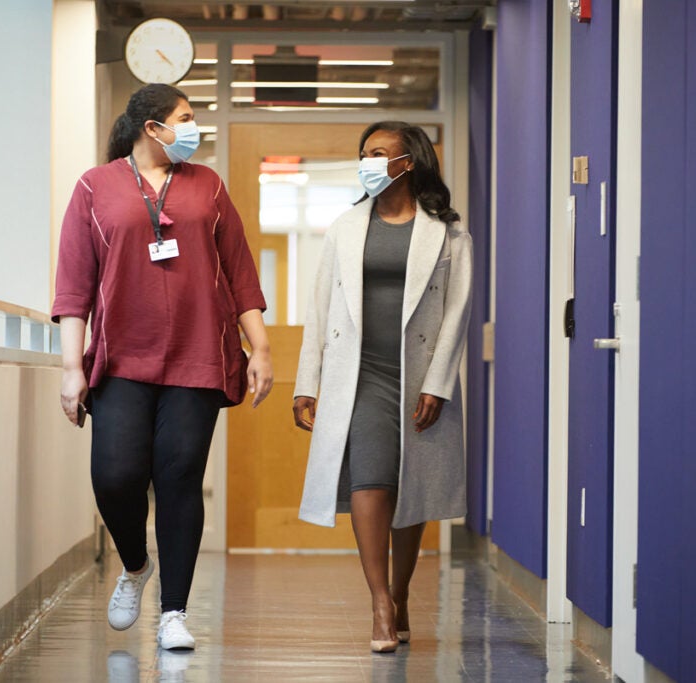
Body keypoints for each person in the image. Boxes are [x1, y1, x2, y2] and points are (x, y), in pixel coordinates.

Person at [52, 83, 272, 651]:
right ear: (153, 127)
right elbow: (74, 285)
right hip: (122, 358)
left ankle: (174, 611)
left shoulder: (208, 186)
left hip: (198, 357)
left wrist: (261, 349)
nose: (193, 128)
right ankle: (135, 565)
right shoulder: (94, 187)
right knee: (115, 477)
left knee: (179, 480)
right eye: (186, 118)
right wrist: (72, 367)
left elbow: (240, 272)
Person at [292, 121, 472, 653]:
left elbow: (457, 312)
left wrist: (438, 383)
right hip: (360, 374)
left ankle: (400, 591)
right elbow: (320, 308)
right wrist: (307, 382)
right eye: (363, 154)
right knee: (370, 480)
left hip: (417, 375)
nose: (366, 162)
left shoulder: (448, 233)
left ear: (407, 162)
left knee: (409, 485)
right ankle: (379, 603)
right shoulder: (345, 227)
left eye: (377, 153)